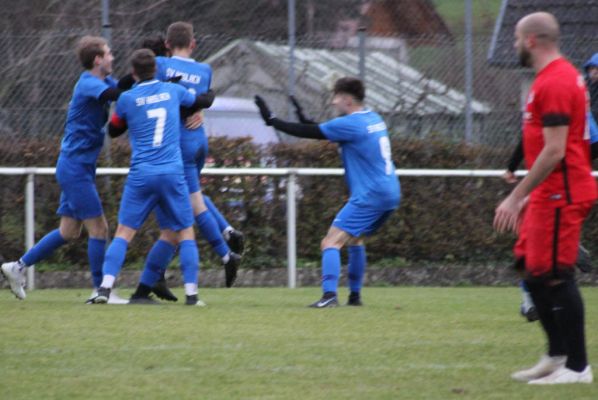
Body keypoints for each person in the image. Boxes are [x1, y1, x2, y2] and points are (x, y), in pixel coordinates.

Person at [494, 12, 596, 384]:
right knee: (530, 269)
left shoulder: (555, 80)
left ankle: (578, 367)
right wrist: (527, 195)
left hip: (561, 192)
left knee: (555, 275)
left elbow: (554, 151)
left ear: (532, 40)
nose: (514, 45)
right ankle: (557, 355)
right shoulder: (553, 77)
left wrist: (515, 196)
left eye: (517, 39)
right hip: (546, 192)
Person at [1, 36, 133, 304]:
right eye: (109, 54)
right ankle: (100, 291)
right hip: (74, 168)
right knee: (99, 229)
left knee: (68, 232)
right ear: (97, 59)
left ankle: (17, 267)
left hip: (78, 167)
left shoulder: (103, 81)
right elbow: (115, 95)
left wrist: (142, 74)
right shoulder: (88, 83)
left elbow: (119, 87)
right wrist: (145, 89)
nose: (112, 58)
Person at [255, 77, 400, 308]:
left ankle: (329, 296)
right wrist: (305, 119)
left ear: (347, 99)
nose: (333, 102)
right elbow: (323, 131)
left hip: (371, 194)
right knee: (355, 239)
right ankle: (354, 297)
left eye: (336, 97)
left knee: (330, 242)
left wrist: (273, 121)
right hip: (390, 192)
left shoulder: (351, 124)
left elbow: (311, 132)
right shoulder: (373, 118)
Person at [90, 48, 215, 306]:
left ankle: (104, 288)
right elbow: (199, 101)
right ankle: (192, 295)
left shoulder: (126, 99)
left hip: (142, 175)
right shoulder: (174, 91)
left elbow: (113, 129)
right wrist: (210, 96)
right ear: (156, 70)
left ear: (134, 73)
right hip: (171, 172)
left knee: (124, 233)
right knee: (185, 232)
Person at [136, 23, 243, 304]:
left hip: (174, 148)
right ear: (193, 44)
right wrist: (199, 108)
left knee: (191, 209)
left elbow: (150, 92)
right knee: (173, 227)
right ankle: (147, 285)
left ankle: (225, 254)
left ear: (167, 46)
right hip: (199, 141)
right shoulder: (206, 70)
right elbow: (198, 100)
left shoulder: (159, 64)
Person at [503, 112, 597, 322]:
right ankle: (536, 301)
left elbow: (591, 144)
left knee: (538, 251)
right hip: (554, 184)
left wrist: (568, 163)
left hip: (558, 187)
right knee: (533, 247)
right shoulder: (560, 101)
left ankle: (537, 303)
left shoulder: (567, 102)